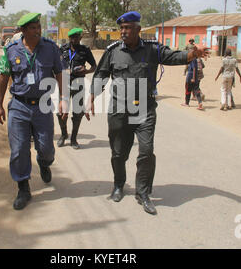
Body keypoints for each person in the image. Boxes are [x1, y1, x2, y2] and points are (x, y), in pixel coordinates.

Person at [86, 11, 210, 215]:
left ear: (138, 30)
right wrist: (91, 97)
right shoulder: (113, 51)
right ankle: (118, 184)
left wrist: (193, 54)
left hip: (144, 109)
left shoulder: (153, 49)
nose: (123, 32)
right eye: (122, 28)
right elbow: (101, 74)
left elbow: (175, 56)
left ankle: (143, 193)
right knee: (118, 153)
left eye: (128, 28)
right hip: (119, 110)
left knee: (146, 151)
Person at [0, 12, 67, 211]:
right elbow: (2, 78)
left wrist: (63, 100)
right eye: (32, 28)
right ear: (23, 31)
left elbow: (60, 74)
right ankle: (23, 188)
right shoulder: (11, 50)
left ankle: (44, 163)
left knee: (46, 148)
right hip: (19, 105)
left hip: (43, 105)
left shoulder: (50, 48)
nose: (37, 31)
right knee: (18, 150)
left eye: (38, 27)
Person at [57, 27, 97, 149]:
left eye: (76, 37)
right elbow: (56, 66)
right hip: (64, 82)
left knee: (78, 113)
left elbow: (94, 66)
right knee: (61, 112)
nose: (74, 39)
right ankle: (64, 135)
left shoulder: (85, 50)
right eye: (72, 37)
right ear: (69, 38)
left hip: (79, 83)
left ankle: (74, 138)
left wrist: (87, 71)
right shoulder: (62, 49)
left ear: (80, 38)